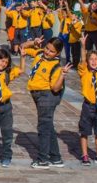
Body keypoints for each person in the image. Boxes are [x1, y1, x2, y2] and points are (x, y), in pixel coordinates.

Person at [21, 37, 71, 169]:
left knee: (43, 127)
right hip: (37, 94)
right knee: (48, 126)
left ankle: (43, 159)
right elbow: (23, 47)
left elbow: (55, 88)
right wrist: (34, 43)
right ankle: (55, 158)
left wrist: (62, 75)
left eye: (51, 51)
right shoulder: (40, 53)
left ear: (58, 53)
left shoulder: (55, 66)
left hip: (46, 96)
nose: (47, 52)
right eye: (47, 48)